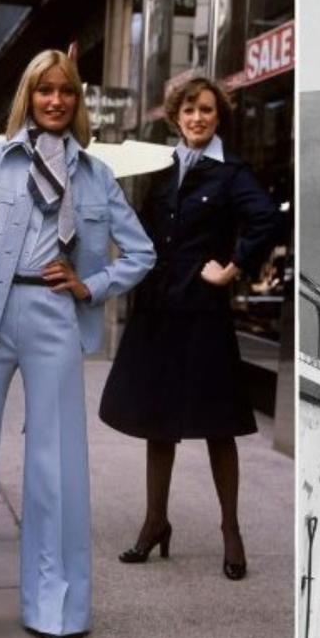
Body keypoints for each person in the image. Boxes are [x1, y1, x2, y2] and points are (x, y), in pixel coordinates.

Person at [0, 49, 156, 638]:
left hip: (53, 317)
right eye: (44, 91)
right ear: (29, 95)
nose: (54, 101)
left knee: (57, 468)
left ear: (77, 101)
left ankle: (55, 610)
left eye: (65, 92)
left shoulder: (96, 174)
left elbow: (142, 252)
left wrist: (90, 285)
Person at [98, 77, 280, 581]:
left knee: (219, 426)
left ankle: (231, 531)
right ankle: (156, 521)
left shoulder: (231, 171)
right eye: (189, 110)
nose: (197, 118)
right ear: (175, 115)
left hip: (203, 313)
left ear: (218, 115)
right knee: (158, 423)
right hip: (158, 309)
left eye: (206, 110)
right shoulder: (161, 168)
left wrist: (233, 266)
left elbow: (267, 220)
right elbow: (137, 228)